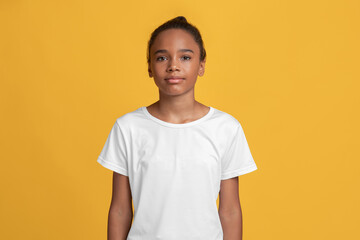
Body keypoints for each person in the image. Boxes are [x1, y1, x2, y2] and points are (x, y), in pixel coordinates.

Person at [97, 16, 258, 240]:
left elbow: (230, 211)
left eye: (185, 57)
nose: (173, 66)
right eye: (162, 57)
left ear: (201, 65)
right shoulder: (128, 128)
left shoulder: (225, 128)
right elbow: (120, 210)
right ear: (150, 67)